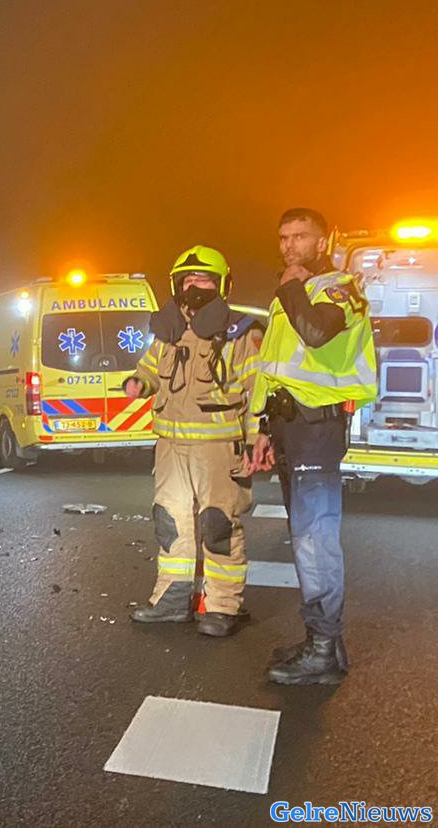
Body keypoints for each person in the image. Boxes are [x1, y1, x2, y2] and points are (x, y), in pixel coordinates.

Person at [247, 208, 377, 685]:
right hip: (289, 428)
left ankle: (322, 649)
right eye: (283, 237)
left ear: (322, 243)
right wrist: (262, 429)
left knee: (313, 540)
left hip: (316, 432)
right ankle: (327, 645)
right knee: (306, 537)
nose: (289, 246)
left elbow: (317, 333)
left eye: (301, 236)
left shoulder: (339, 288)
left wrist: (290, 286)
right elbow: (275, 368)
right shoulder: (293, 295)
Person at [122, 247, 262, 637]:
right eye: (187, 280)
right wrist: (139, 383)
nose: (193, 287)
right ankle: (170, 600)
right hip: (170, 446)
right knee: (170, 524)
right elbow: (150, 370)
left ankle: (222, 607)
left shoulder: (241, 333)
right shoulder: (167, 332)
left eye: (203, 280)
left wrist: (253, 444)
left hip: (218, 447)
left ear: (221, 285)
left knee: (217, 526)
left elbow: (256, 392)